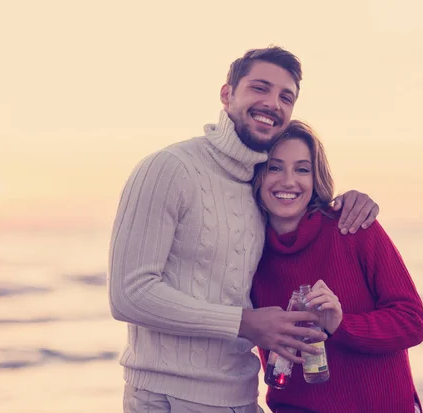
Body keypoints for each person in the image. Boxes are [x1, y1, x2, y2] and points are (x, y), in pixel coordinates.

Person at [108, 46, 380, 413]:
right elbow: (129, 293)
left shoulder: (259, 185)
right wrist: (245, 322)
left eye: (286, 97)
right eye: (260, 88)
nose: (273, 103)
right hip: (167, 398)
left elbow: (299, 212)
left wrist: (350, 200)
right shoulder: (168, 167)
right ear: (227, 94)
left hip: (242, 397)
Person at [250, 120, 423, 413]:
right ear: (258, 174)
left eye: (302, 169)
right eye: (274, 167)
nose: (288, 181)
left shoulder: (352, 227)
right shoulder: (247, 251)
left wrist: (340, 325)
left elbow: (414, 322)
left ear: (315, 177)